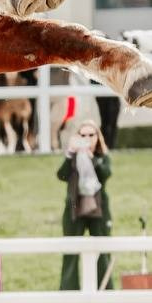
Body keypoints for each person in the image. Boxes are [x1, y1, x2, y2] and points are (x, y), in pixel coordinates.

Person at [57, 119, 114, 291]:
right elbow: (62, 175)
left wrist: (92, 159)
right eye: (83, 135)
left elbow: (106, 174)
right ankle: (68, 290)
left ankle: (105, 290)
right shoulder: (73, 156)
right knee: (71, 251)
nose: (88, 139)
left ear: (98, 136)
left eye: (91, 135)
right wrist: (70, 154)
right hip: (75, 208)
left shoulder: (102, 156)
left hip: (98, 209)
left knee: (102, 251)